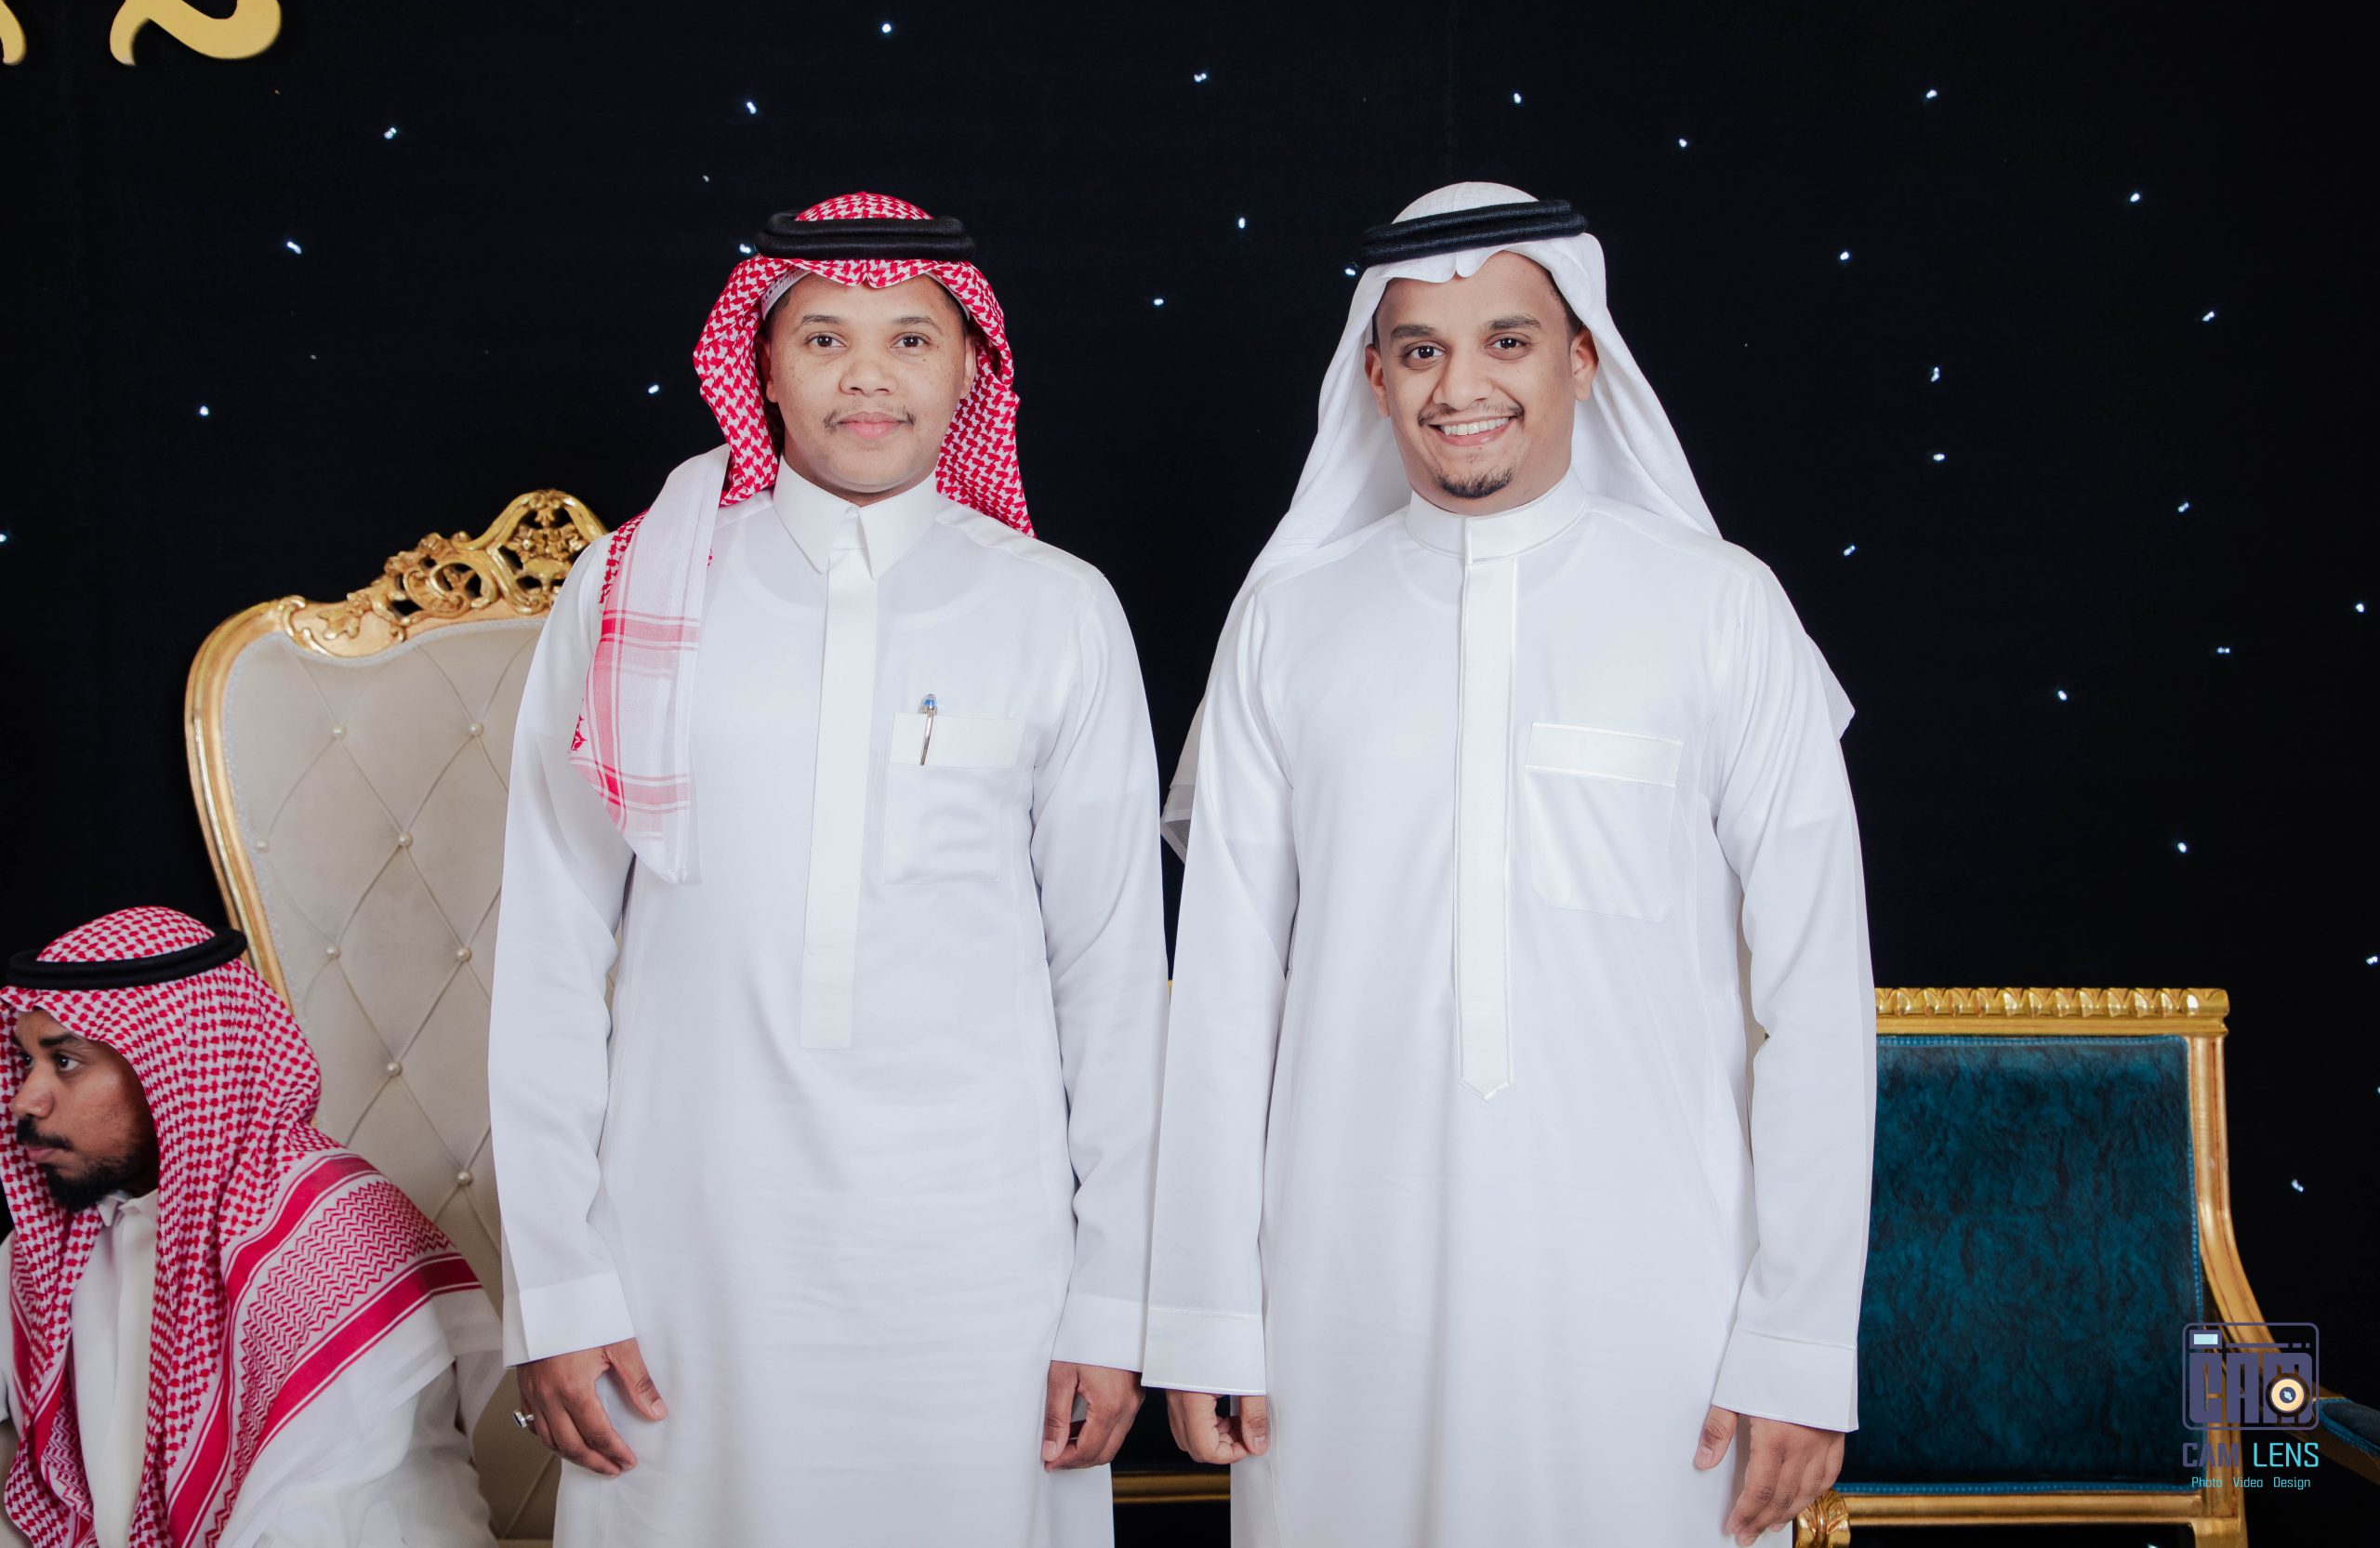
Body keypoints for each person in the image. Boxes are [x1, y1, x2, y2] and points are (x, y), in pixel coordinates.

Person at [1144, 183, 1878, 1546]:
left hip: (1660, 1309)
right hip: (1337, 1306)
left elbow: (1818, 1004)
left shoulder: (1722, 610)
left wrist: (1797, 1340)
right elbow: (1225, 992)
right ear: (1373, 376)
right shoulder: (1289, 625)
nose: (1461, 386)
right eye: (1421, 349)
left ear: (1583, 359)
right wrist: (1203, 1310)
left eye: (1508, 340)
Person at [489, 192, 1167, 1545]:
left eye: (910, 338)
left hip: (981, 1258)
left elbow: (1111, 977)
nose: (868, 375)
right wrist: (559, 1285)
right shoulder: (630, 588)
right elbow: (551, 947)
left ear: (970, 367)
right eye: (824, 338)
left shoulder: (1058, 609)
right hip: (689, 1244)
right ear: (760, 364)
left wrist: (1115, 1293)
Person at [0, 906, 501, 1548]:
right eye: (28, 1062)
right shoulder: (48, 1247)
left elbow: (315, 1525)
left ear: (180, 1060)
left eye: (66, 1061)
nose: (25, 1099)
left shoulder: (330, 1231)